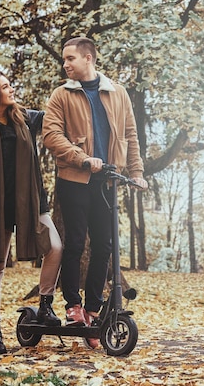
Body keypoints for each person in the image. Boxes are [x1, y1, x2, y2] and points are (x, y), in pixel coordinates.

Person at [43, 37, 147, 348]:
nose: (66, 64)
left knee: (105, 245)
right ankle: (73, 307)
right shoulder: (61, 95)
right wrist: (82, 157)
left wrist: (137, 172)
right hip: (74, 179)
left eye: (70, 58)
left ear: (88, 58)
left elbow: (131, 134)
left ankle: (92, 308)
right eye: (64, 59)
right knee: (76, 243)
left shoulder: (117, 93)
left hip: (108, 182)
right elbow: (51, 135)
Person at [0, 71, 64, 355]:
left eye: (9, 85)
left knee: (55, 247)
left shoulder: (26, 118)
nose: (11, 89)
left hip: (31, 201)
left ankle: (45, 305)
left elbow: (56, 118)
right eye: (5, 86)